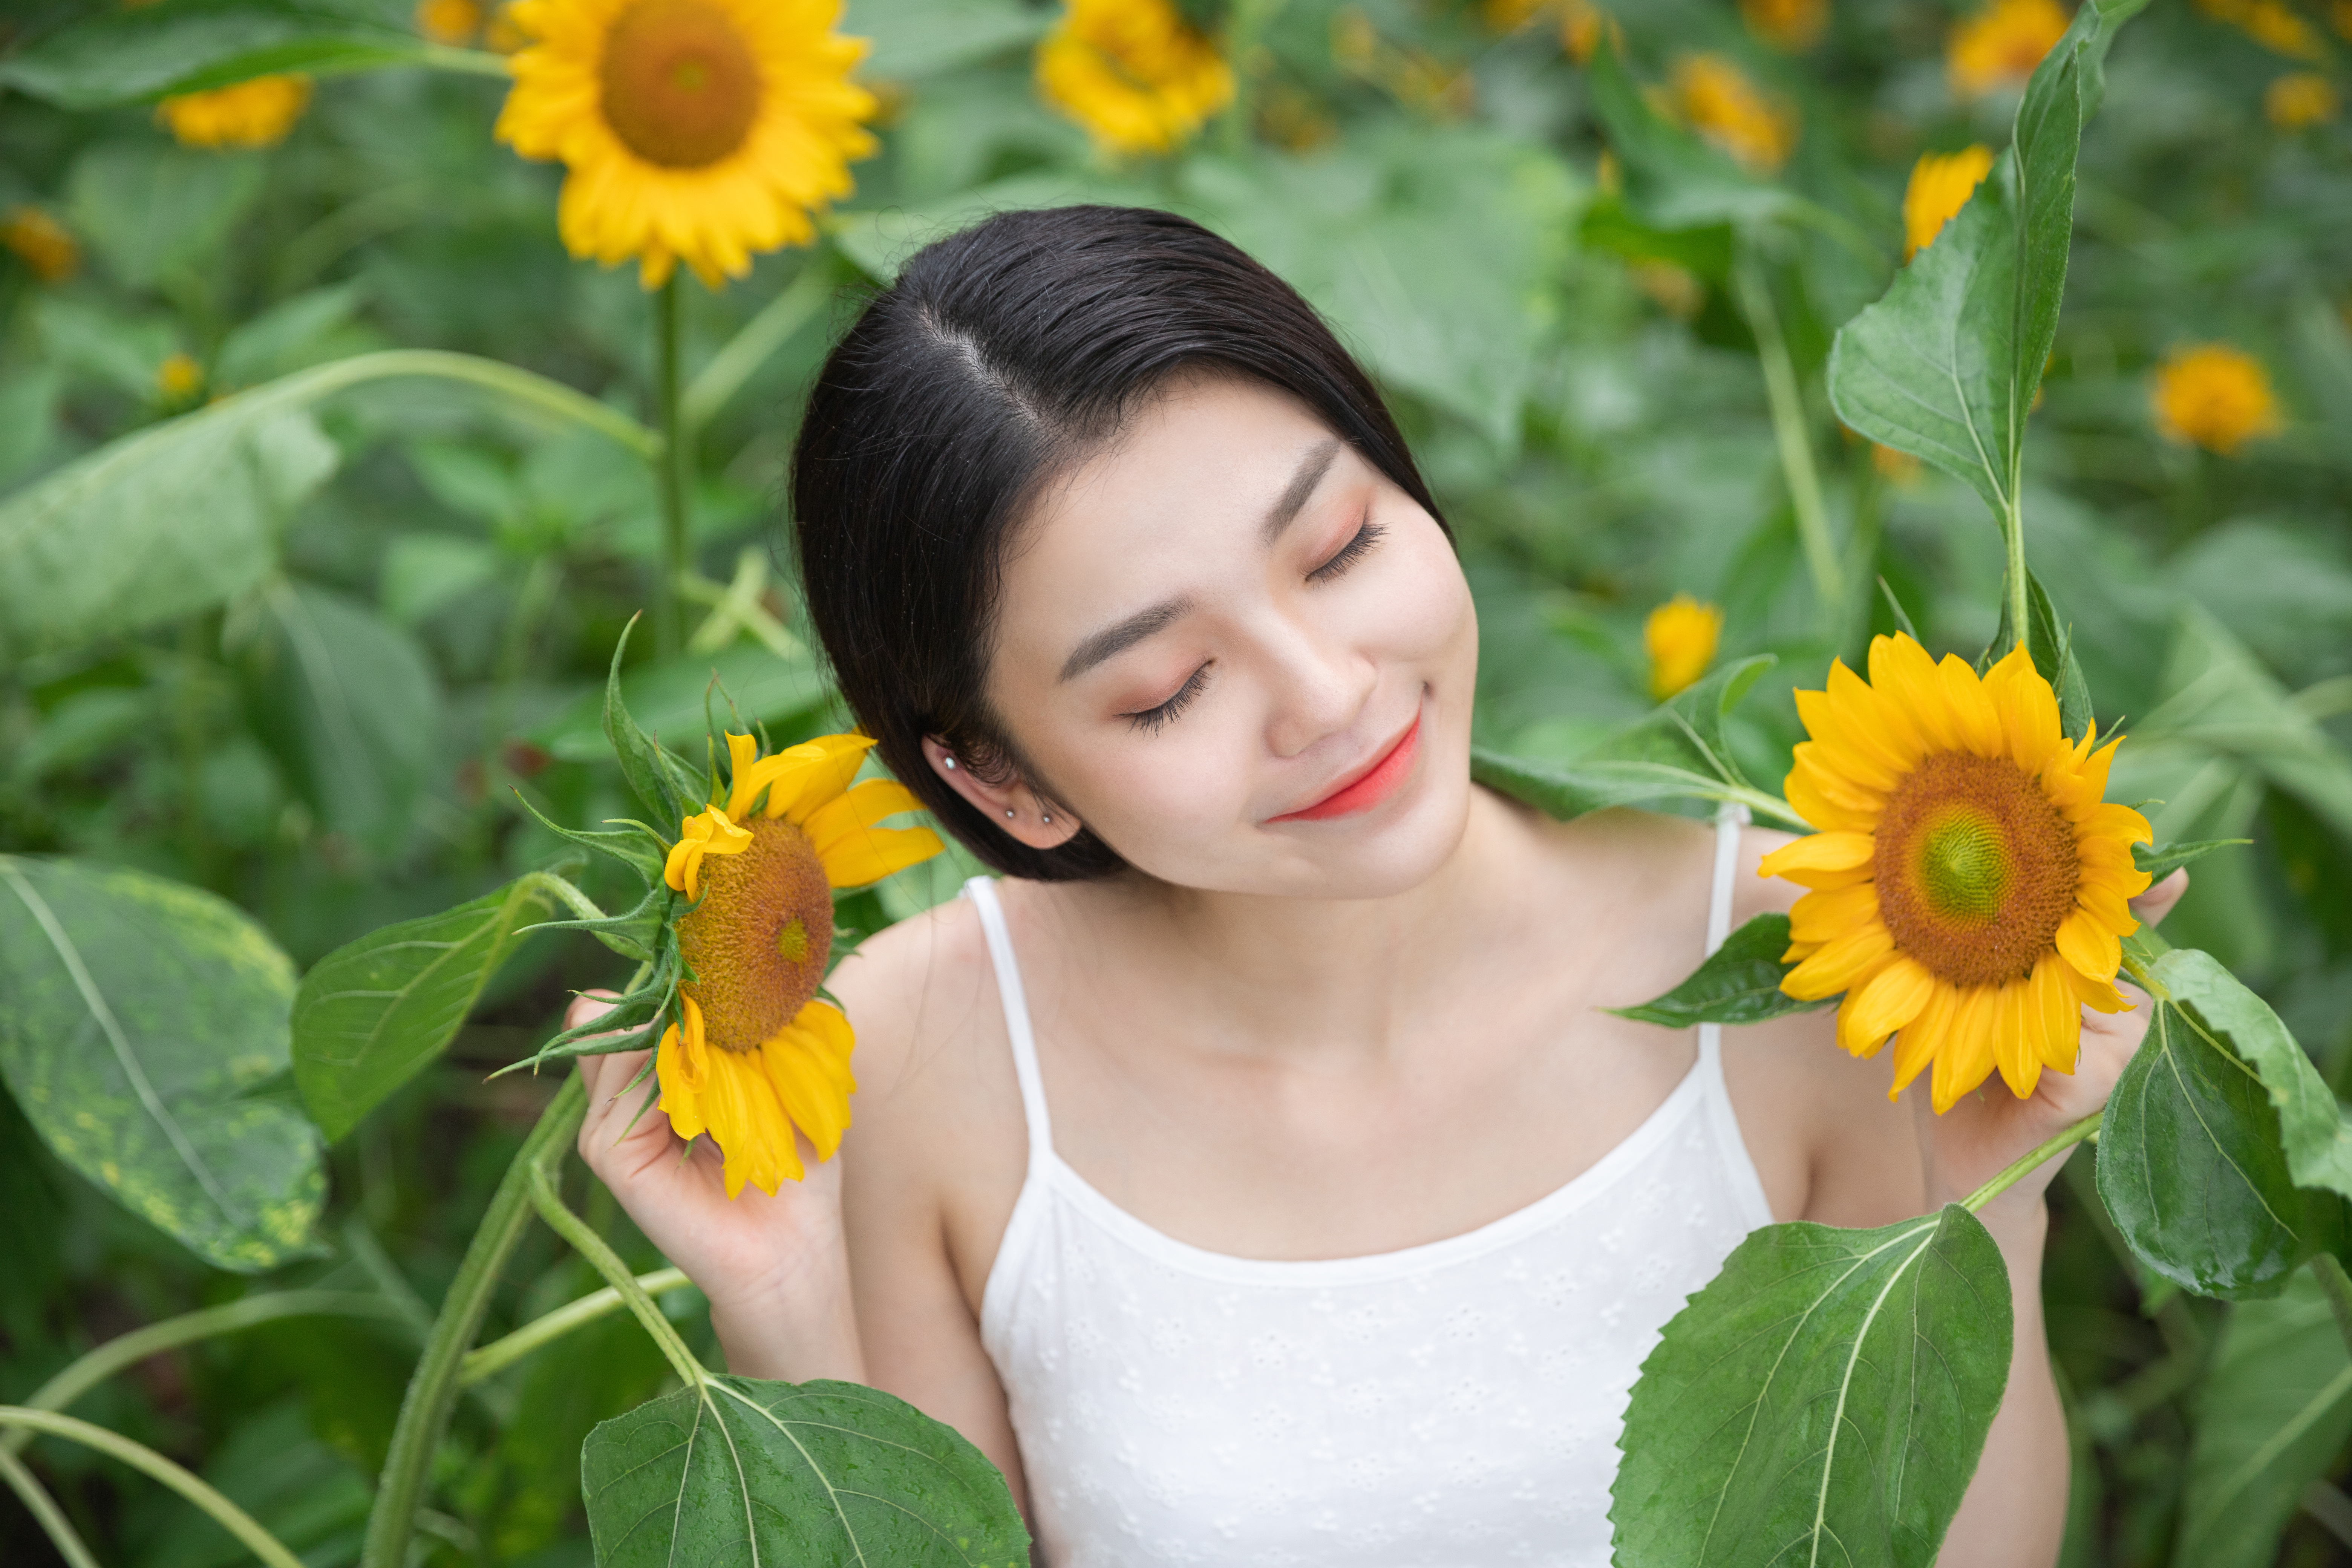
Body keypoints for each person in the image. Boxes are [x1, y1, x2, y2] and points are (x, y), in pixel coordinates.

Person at [565, 205, 2183, 1567]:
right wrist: (786, 1319)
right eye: (1164, 689)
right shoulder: (926, 1054)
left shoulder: (1804, 956)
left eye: (1339, 546)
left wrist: (2001, 1201)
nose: (1329, 692)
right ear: (1003, 780)